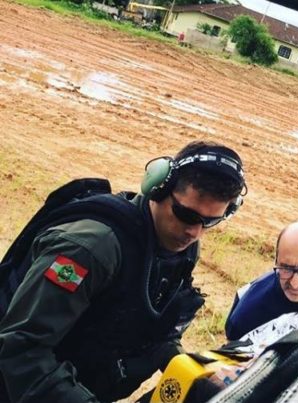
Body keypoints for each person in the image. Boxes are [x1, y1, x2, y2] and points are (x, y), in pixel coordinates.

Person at [0, 141, 247, 402]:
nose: (195, 232)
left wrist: (188, 369)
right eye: (186, 214)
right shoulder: (90, 249)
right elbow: (21, 347)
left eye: (211, 221)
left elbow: (153, 328)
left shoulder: (180, 249)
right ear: (158, 188)